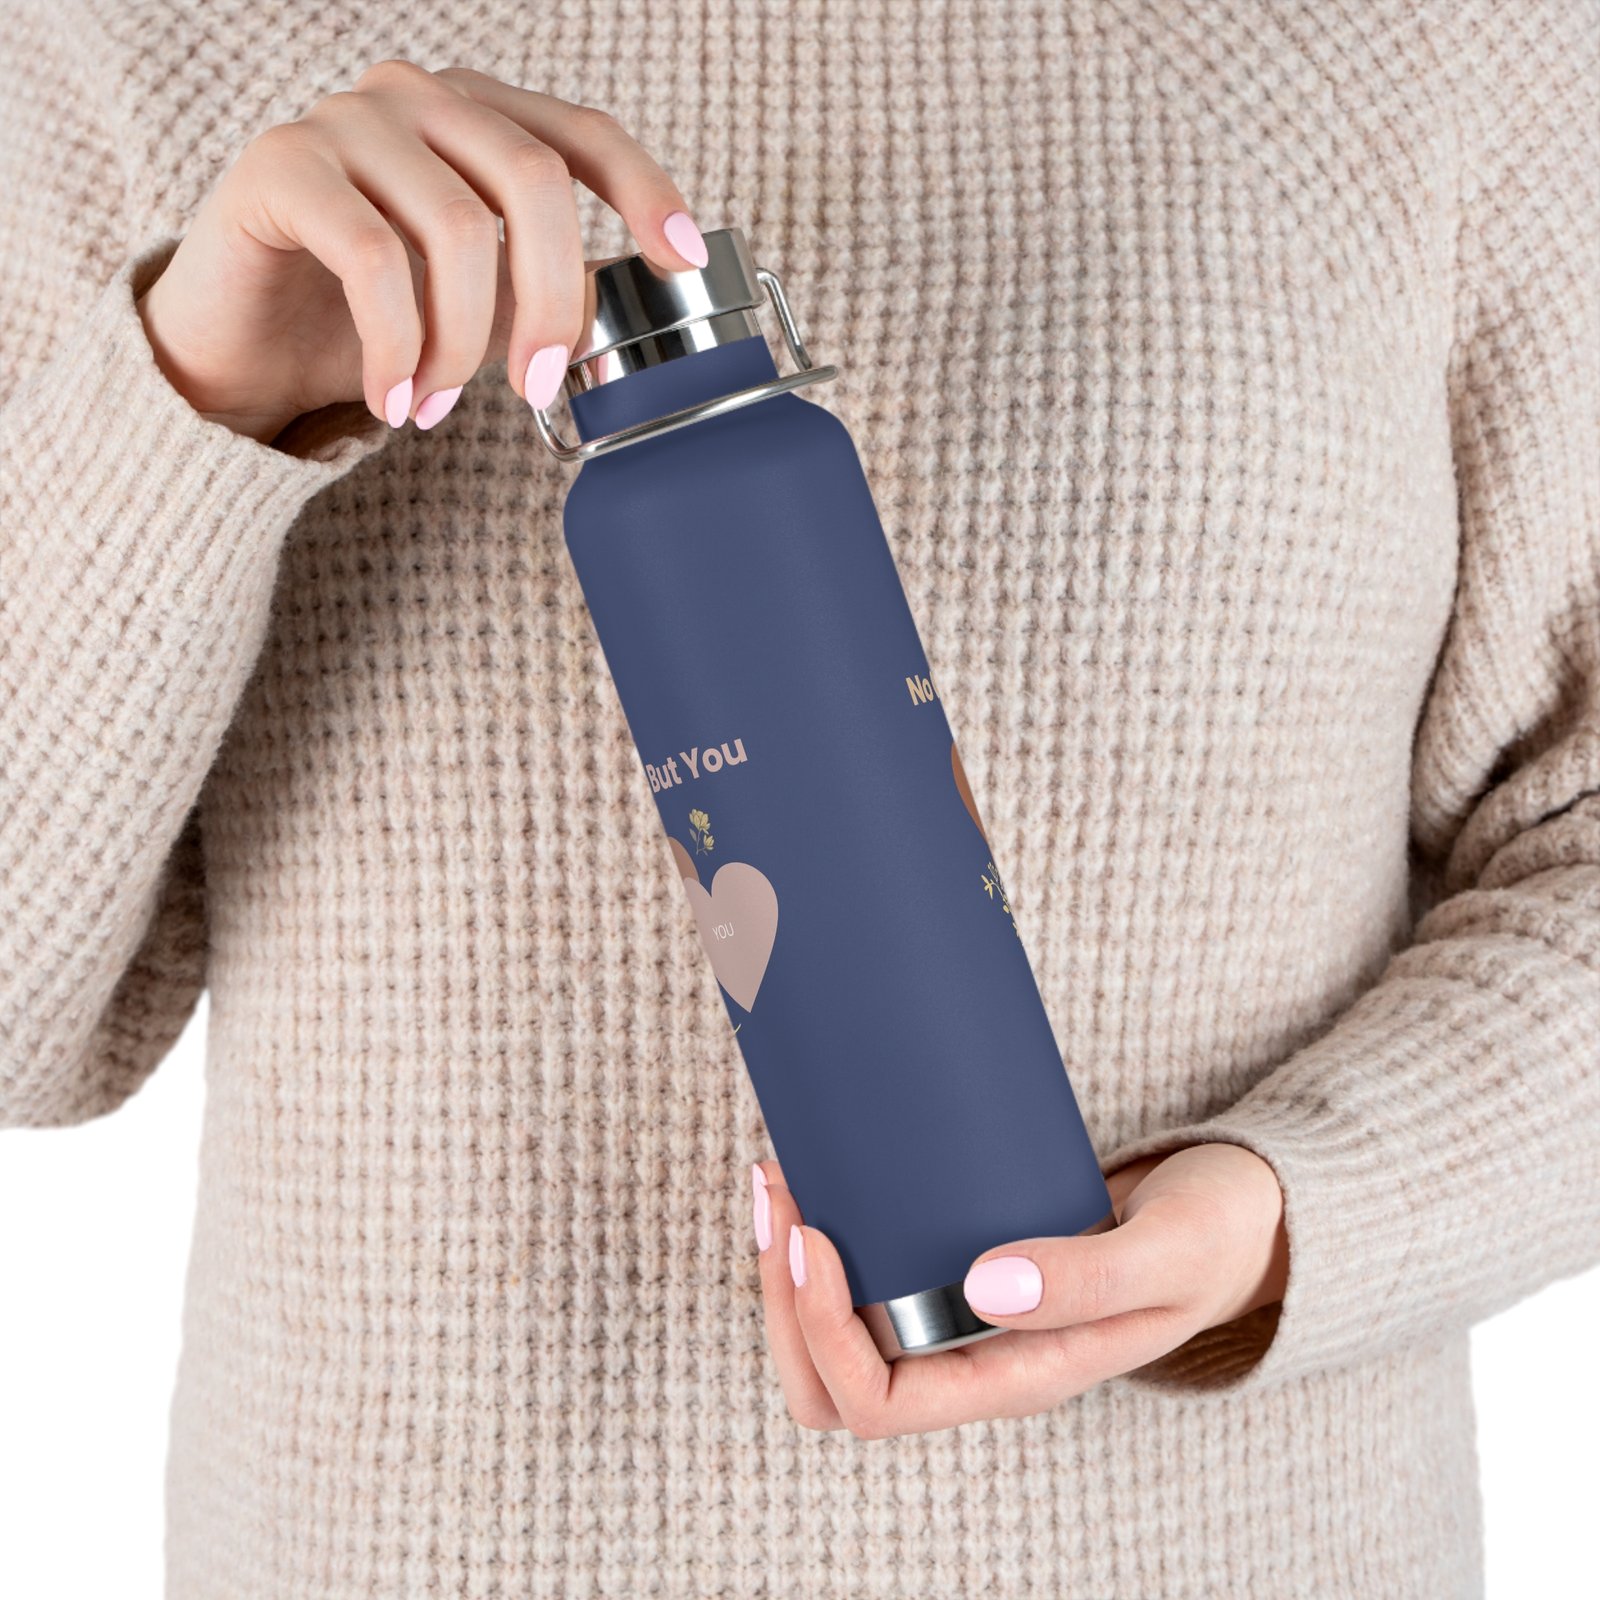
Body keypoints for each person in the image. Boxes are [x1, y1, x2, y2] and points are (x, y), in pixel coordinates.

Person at [1, 3, 1595, 1596]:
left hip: (1238, 1551)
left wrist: (1301, 1207)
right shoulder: (129, 48)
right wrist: (184, 403)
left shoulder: (1446, 45)